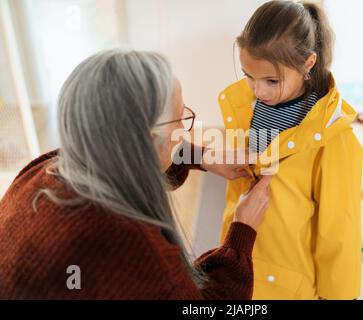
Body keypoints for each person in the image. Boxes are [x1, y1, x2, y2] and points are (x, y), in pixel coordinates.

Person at [0, 50, 272, 299]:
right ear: (149, 140)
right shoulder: (132, 245)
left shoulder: (46, 168)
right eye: (180, 119)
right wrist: (242, 232)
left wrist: (202, 157)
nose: (186, 129)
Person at [218, 0, 363, 299]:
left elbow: (340, 230)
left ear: (307, 64)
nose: (258, 90)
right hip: (238, 259)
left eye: (271, 80)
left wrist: (337, 295)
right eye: (248, 76)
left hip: (288, 283)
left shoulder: (335, 139)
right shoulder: (245, 108)